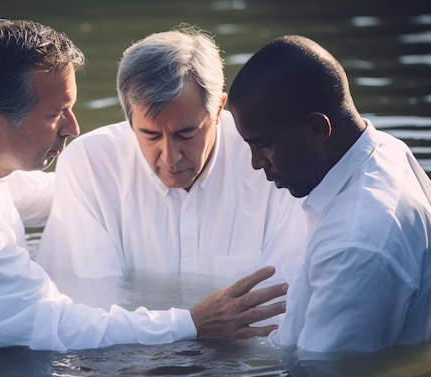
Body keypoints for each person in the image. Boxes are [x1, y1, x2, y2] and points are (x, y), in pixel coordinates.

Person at [0, 19, 289, 352]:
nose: (74, 127)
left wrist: (103, 190)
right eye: (56, 114)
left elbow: (20, 196)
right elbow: (51, 326)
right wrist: (191, 323)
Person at [228, 35, 431, 359]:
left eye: (264, 144)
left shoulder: (356, 242)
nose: (255, 162)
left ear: (317, 128)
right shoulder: (387, 151)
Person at [35, 28, 305, 306]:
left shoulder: (271, 163)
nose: (170, 157)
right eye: (150, 135)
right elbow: (88, 300)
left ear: (218, 110)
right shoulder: (90, 165)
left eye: (185, 134)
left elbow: (285, 296)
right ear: (128, 119)